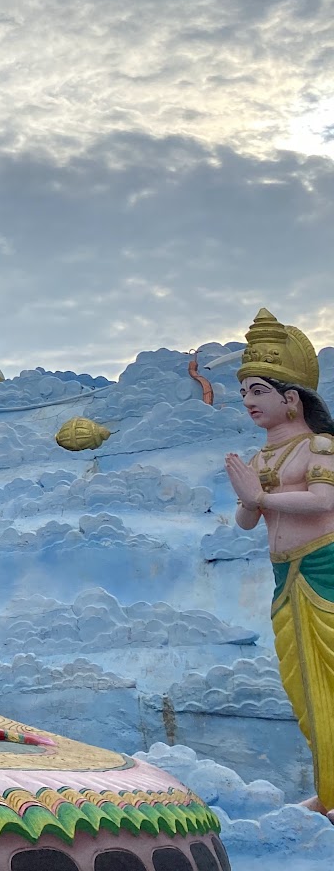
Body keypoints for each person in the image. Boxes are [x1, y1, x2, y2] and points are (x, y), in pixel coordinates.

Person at [223, 308, 334, 818]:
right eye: (244, 392)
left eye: (258, 391)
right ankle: (330, 791)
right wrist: (250, 498)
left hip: (323, 570)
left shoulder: (320, 446)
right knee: (303, 686)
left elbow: (323, 501)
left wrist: (261, 498)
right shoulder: (261, 459)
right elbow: (248, 521)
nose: (248, 401)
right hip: (285, 577)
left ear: (291, 399)